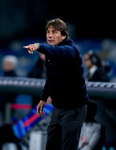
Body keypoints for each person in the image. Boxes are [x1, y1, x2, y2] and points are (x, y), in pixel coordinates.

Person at [23, 18, 88, 150]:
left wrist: (39, 46)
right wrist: (43, 98)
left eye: (54, 32)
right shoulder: (51, 52)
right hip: (58, 107)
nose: (50, 35)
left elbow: (59, 51)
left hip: (74, 108)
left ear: (63, 35)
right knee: (51, 145)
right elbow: (51, 77)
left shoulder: (71, 49)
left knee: (68, 147)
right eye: (48, 32)